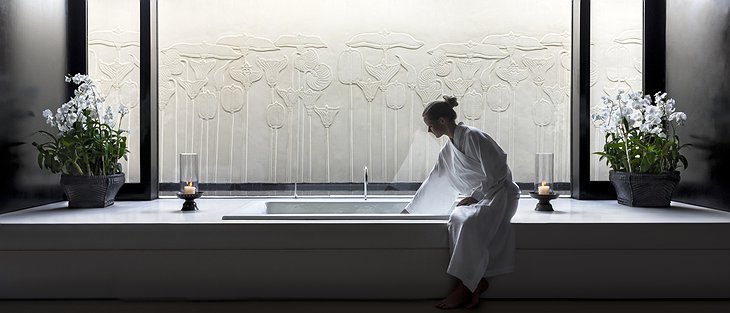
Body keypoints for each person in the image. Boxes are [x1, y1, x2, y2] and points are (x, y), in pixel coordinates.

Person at [403, 95, 520, 309]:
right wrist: (412, 210)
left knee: (468, 222)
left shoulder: (475, 136)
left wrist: (476, 196)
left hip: (500, 195)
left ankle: (466, 287)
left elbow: (498, 171)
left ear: (442, 121)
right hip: (479, 197)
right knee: (457, 217)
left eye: (430, 126)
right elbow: (436, 179)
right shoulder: (449, 150)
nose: (429, 131)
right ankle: (473, 285)